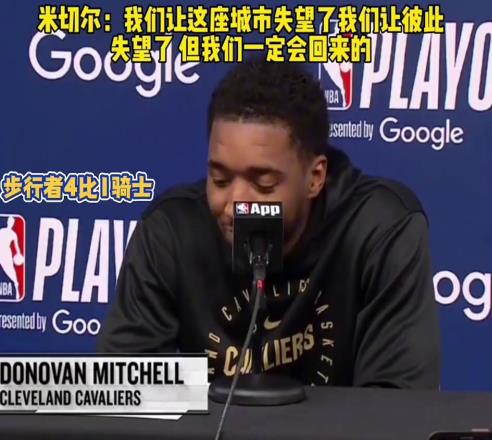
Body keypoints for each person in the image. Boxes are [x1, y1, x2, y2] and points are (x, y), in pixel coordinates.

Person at [97, 56, 441, 389]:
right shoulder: (171, 231)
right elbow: (116, 393)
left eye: (263, 184)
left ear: (315, 177)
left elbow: (399, 407)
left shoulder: (379, 228)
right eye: (219, 180)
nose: (234, 204)